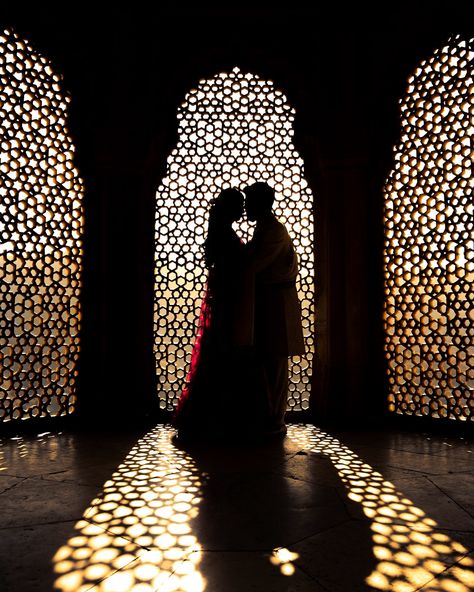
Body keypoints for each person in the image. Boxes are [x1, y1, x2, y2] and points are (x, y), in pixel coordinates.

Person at [173, 187, 267, 442]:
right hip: (227, 303)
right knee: (223, 356)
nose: (243, 210)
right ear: (231, 208)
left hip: (224, 301)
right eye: (240, 205)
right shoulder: (225, 234)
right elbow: (232, 269)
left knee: (217, 356)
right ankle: (218, 422)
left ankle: (211, 420)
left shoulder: (221, 230)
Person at [242, 181, 305, 436]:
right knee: (267, 363)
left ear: (262, 204)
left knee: (275, 364)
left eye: (250, 202)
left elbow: (253, 266)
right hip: (269, 303)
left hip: (276, 304)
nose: (246, 208)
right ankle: (268, 419)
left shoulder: (274, 231)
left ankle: (275, 422)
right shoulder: (264, 230)